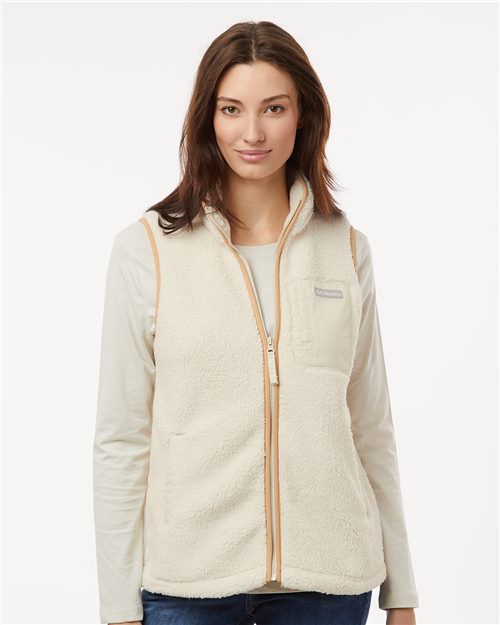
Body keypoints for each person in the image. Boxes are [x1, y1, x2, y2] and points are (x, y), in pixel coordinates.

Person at [92, 20, 419, 625]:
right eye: (231, 109)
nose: (252, 133)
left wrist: (402, 592)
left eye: (273, 108)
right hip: (188, 587)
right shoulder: (146, 251)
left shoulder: (346, 250)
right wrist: (118, 607)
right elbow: (122, 438)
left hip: (330, 585)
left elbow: (371, 424)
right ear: (207, 118)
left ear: (304, 116)